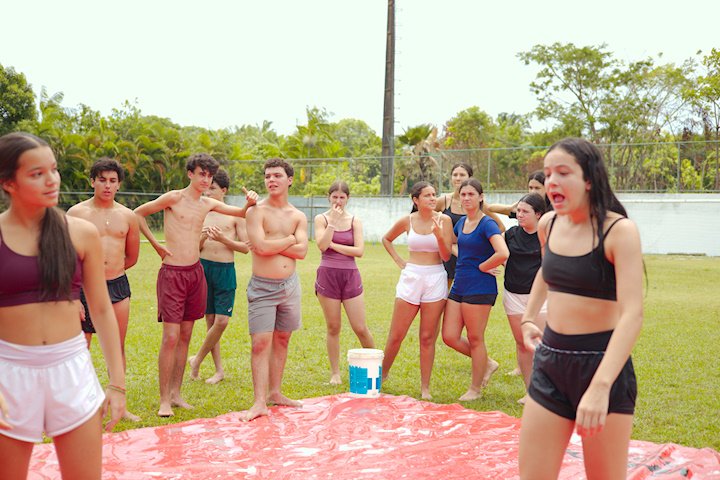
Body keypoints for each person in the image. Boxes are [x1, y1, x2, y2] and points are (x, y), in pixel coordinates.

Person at [0, 132, 125, 479]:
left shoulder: (81, 233)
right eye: (37, 173)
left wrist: (117, 384)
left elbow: (101, 309)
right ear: (8, 182)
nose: (51, 179)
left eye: (53, 169)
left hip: (71, 370)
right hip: (9, 373)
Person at [519, 138, 643, 479]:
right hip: (550, 364)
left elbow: (632, 314)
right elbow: (548, 271)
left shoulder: (619, 232)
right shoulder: (549, 224)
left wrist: (601, 386)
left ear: (589, 178)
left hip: (602, 367)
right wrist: (528, 317)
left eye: (563, 172)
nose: (552, 181)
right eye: (548, 174)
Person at [134, 154, 257, 417]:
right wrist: (156, 246)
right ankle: (164, 400)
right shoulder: (173, 198)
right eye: (201, 174)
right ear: (190, 174)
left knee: (186, 336)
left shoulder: (207, 203)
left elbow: (239, 213)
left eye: (209, 176)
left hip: (195, 273)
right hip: (172, 273)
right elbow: (138, 214)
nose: (206, 180)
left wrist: (249, 202)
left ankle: (176, 394)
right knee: (170, 337)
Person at [67, 158, 141, 421]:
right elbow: (67, 258)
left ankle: (121, 404)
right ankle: (79, 406)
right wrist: (74, 295)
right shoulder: (76, 214)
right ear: (92, 182)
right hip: (83, 288)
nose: (107, 186)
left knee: (117, 346)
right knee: (81, 347)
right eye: (102, 180)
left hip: (117, 285)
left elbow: (132, 256)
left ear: (119, 184)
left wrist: (112, 271)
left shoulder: (128, 216)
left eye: (112, 181)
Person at [244, 158, 308, 421]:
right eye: (267, 176)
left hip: (290, 286)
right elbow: (259, 247)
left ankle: (275, 392)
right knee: (260, 343)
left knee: (283, 339)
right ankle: (259, 402)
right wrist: (290, 239)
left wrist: (273, 244)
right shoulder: (255, 212)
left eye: (277, 175)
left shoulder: (298, 216)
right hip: (262, 287)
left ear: (289, 180)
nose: (271, 180)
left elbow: (302, 252)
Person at [381, 181, 452, 400]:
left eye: (434, 194)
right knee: (396, 335)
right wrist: (399, 260)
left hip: (435, 277)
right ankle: (382, 376)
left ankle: (425, 388)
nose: (432, 198)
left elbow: (446, 256)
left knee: (427, 337)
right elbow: (386, 239)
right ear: (416, 200)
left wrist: (439, 235)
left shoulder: (444, 220)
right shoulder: (407, 220)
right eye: (427, 195)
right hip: (411, 277)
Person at [442, 178, 509, 401]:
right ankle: (487, 363)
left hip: (480, 287)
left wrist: (482, 266)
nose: (466, 198)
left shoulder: (487, 223)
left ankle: (475, 389)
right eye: (463, 194)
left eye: (471, 194)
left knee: (475, 337)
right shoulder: (462, 222)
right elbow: (453, 243)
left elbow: (503, 252)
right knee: (449, 336)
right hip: (460, 284)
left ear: (481, 197)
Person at [188, 168, 249, 384]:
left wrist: (224, 239)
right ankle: (218, 370)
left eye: (212, 188)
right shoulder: (201, 213)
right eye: (206, 188)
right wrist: (203, 238)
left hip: (225, 270)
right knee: (210, 320)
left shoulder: (235, 214)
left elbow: (245, 247)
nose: (207, 192)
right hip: (204, 269)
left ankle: (197, 359)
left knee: (222, 321)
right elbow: (195, 249)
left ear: (223, 190)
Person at [314, 181, 374, 385]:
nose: (338, 201)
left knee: (360, 327)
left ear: (348, 198)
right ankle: (335, 373)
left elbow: (359, 251)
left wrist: (333, 244)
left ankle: (376, 367)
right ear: (328, 197)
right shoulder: (321, 219)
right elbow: (322, 246)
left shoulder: (355, 221)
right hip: (328, 276)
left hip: (350, 275)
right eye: (335, 197)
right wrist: (332, 224)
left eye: (342, 197)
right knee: (333, 327)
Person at [500, 192, 547, 404]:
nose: (519, 215)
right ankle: (530, 391)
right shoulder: (510, 234)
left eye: (525, 211)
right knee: (522, 344)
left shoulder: (546, 235)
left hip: (540, 297)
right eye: (518, 210)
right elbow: (497, 253)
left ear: (538, 214)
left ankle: (546, 390)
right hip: (513, 295)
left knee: (541, 345)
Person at [436, 163, 506, 288]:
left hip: (471, 259)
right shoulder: (443, 201)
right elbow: (425, 217)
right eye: (455, 175)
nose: (458, 178)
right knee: (443, 294)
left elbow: (500, 227)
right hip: (449, 255)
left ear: (470, 177)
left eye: (462, 175)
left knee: (469, 293)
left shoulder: (479, 204)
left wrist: (482, 249)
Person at [488, 170, 553, 218]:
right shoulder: (525, 206)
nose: (533, 191)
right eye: (530, 188)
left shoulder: (554, 209)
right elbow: (490, 208)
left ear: (547, 188)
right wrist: (510, 208)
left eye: (537, 188)